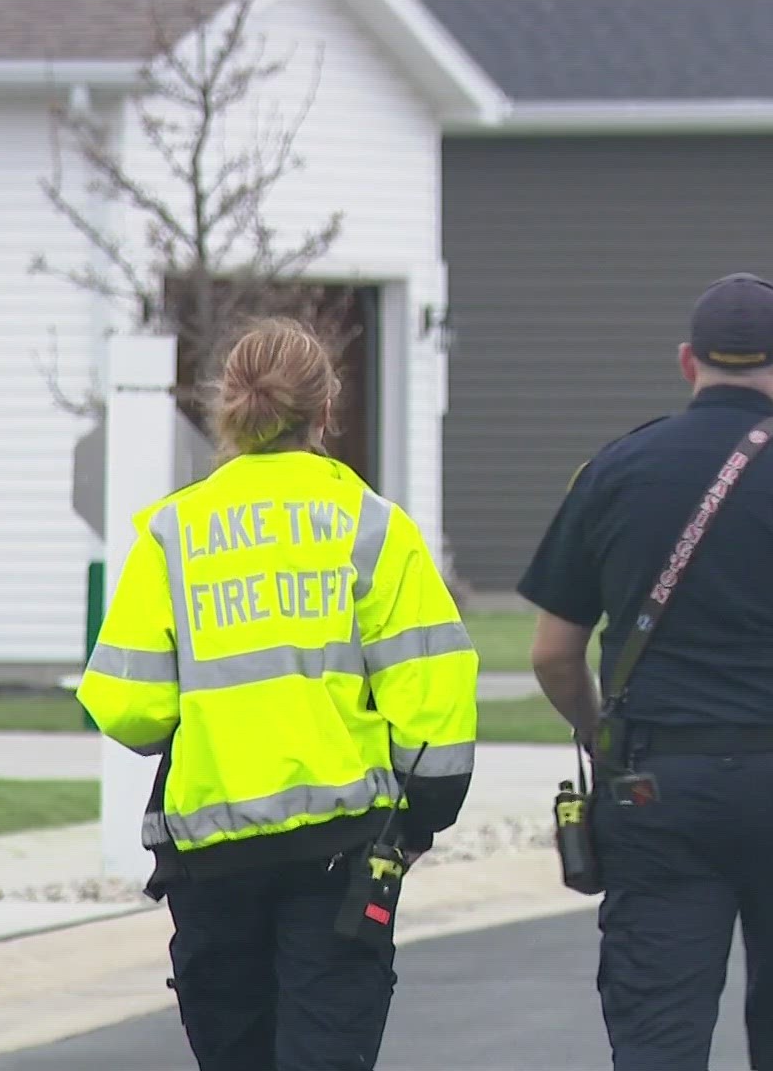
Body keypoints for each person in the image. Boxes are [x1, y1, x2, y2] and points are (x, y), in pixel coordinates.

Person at [519, 273, 773, 1071]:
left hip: (658, 787)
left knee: (657, 1036)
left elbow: (551, 652)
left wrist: (599, 732)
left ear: (687, 363)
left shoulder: (613, 472)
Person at [77, 317, 479, 1071]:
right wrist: (422, 820)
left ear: (227, 408)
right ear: (326, 411)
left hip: (211, 861)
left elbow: (128, 705)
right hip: (339, 852)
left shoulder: (174, 534)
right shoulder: (372, 529)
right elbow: (434, 699)